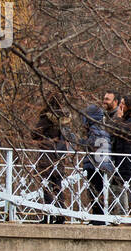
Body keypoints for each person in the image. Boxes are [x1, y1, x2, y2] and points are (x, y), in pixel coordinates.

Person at [32, 92, 74, 223]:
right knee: (58, 186)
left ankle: (48, 215)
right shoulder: (65, 119)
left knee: (46, 186)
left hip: (47, 154)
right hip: (59, 156)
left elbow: (34, 134)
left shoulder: (46, 118)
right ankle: (61, 214)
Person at [80, 96, 115, 221]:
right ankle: (97, 216)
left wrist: (79, 142)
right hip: (101, 165)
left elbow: (90, 145)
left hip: (95, 165)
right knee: (97, 191)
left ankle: (98, 217)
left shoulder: (94, 132)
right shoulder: (103, 131)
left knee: (94, 191)